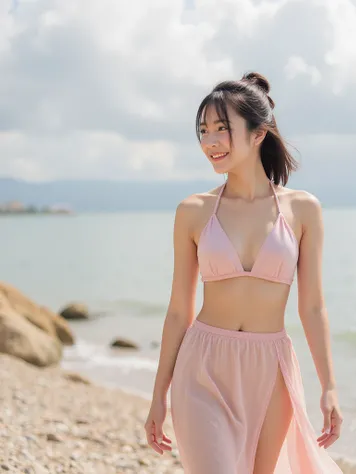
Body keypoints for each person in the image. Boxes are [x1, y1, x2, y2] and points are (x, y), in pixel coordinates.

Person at [144, 71, 344, 473]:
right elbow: (179, 311)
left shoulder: (303, 210)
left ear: (258, 134)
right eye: (203, 131)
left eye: (222, 129)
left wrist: (329, 387)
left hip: (271, 369)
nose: (210, 141)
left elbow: (313, 308)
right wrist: (157, 396)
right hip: (203, 366)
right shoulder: (193, 211)